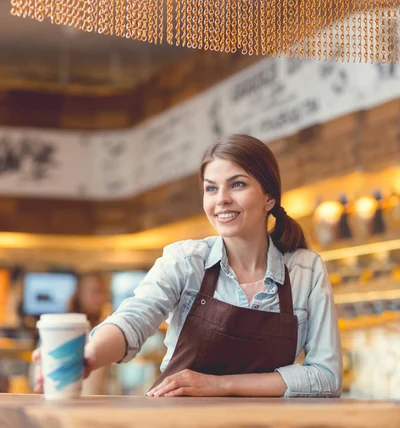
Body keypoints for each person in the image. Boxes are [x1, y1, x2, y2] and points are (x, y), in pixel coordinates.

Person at [34, 134, 342, 397]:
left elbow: (326, 377)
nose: (221, 199)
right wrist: (89, 355)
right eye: (211, 188)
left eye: (237, 185)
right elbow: (134, 318)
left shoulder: (305, 270)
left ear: (269, 198)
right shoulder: (185, 260)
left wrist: (219, 385)